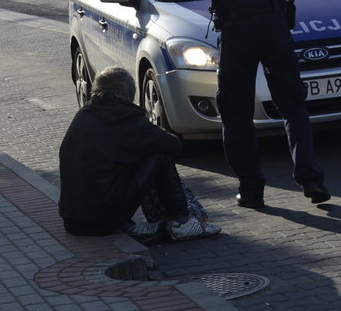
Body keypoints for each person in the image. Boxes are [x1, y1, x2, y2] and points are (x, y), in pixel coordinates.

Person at [181, 0, 330, 209]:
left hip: (237, 33)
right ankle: (312, 179)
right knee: (293, 105)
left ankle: (251, 191)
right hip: (275, 25)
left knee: (235, 113)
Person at [58, 66, 221, 242]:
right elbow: (174, 145)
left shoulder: (84, 114)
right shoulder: (128, 118)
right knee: (160, 154)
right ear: (129, 94)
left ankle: (165, 219)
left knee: (127, 159)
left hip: (72, 219)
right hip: (104, 218)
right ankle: (181, 219)